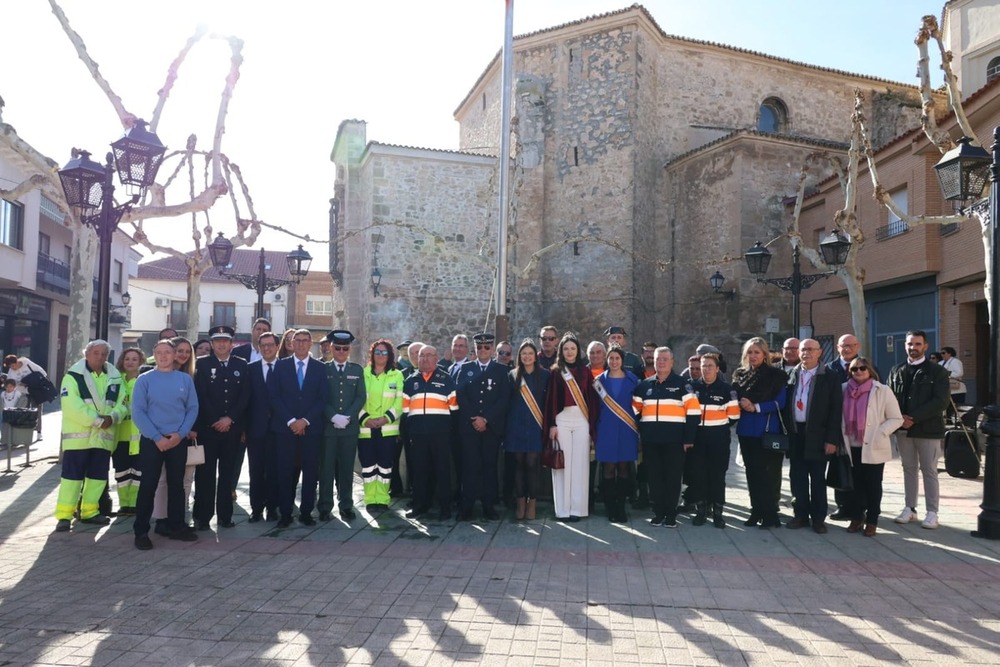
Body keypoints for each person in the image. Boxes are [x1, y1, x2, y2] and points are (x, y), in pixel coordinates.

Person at [131, 339, 200, 550]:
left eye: (167, 353)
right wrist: (156, 437)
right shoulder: (144, 380)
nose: (163, 356)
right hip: (153, 441)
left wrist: (180, 434)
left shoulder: (184, 379)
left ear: (174, 355)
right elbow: (138, 412)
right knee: (148, 485)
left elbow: (192, 408)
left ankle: (177, 526)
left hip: (177, 440)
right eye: (159, 352)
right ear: (154, 355)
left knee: (176, 485)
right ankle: (141, 531)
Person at [53, 340, 127, 532]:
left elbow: (123, 402)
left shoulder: (115, 377)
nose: (100, 357)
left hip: (103, 439)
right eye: (96, 353)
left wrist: (113, 417)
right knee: (71, 478)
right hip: (79, 439)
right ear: (86, 354)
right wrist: (99, 421)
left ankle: (89, 512)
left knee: (98, 477)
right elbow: (72, 406)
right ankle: (64, 515)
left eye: (103, 354)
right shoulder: (73, 376)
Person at [886, 330, 950, 530]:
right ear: (905, 345)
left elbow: (941, 401)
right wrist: (899, 418)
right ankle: (910, 508)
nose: (913, 347)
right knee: (908, 469)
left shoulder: (937, 372)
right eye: (909, 344)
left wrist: (913, 418)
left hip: (928, 429)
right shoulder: (896, 370)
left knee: (929, 470)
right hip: (903, 430)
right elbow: (889, 398)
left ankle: (932, 512)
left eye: (917, 344)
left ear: (926, 346)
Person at [631, 347, 700, 528]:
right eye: (657, 359)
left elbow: (693, 413)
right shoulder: (644, 385)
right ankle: (658, 513)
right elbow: (635, 412)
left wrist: (688, 439)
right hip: (651, 441)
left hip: (675, 441)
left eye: (664, 359)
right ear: (653, 362)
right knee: (654, 478)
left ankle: (670, 514)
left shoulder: (683, 385)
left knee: (672, 478)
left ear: (672, 362)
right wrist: (642, 432)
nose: (661, 362)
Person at [192, 325, 251, 530]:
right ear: (211, 343)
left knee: (227, 475)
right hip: (209, 429)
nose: (221, 344)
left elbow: (245, 396)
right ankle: (202, 517)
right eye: (217, 341)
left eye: (225, 340)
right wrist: (216, 419)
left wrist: (230, 419)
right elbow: (200, 396)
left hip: (232, 430)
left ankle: (226, 516)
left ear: (231, 343)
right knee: (205, 475)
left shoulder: (242, 364)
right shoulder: (201, 364)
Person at [269, 329, 329, 527]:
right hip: (285, 428)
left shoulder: (320, 368)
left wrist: (305, 421)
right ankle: (285, 513)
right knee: (284, 472)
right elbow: (274, 397)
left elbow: (322, 399)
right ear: (292, 343)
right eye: (298, 340)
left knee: (310, 473)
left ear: (311, 343)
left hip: (311, 429)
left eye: (305, 341)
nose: (302, 344)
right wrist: (291, 421)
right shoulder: (280, 366)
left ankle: (306, 513)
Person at [784, 338, 843, 534]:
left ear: (820, 353)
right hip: (796, 433)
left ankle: (818, 518)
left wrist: (832, 439)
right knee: (797, 477)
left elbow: (836, 410)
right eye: (802, 349)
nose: (806, 353)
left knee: (817, 478)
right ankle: (800, 514)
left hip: (819, 435)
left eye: (810, 349)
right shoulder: (792, 374)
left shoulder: (830, 376)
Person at [841, 357, 903, 537]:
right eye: (854, 369)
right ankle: (856, 517)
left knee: (873, 485)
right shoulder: (844, 389)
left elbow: (896, 418)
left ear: (869, 370)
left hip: (874, 445)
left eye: (862, 368)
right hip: (851, 445)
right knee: (855, 485)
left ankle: (872, 519)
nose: (858, 372)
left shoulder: (882, 390)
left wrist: (880, 432)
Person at [731, 337, 788, 529]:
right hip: (745, 430)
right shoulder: (740, 375)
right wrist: (739, 403)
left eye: (757, 352)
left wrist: (755, 406)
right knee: (751, 473)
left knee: (766, 475)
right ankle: (756, 511)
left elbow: (780, 403)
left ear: (765, 354)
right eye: (750, 352)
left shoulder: (776, 375)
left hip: (765, 430)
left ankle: (770, 514)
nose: (753, 356)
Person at [543, 333, 600, 522]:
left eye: (573, 348)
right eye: (566, 348)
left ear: (578, 351)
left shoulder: (586, 371)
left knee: (580, 464)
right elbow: (551, 399)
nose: (569, 351)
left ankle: (578, 508)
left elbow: (592, 400)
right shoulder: (555, 371)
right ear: (561, 350)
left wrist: (592, 427)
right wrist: (551, 424)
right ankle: (562, 509)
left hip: (582, 419)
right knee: (562, 464)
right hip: (562, 419)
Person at [455, 333, 510, 521]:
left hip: (491, 428)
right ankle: (467, 506)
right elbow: (461, 395)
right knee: (469, 467)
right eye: (479, 347)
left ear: (493, 350)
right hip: (470, 427)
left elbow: (504, 399)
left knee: (489, 466)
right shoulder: (466, 368)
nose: (483, 351)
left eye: (487, 348)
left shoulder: (501, 371)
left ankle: (489, 506)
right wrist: (475, 418)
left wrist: (485, 419)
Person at [151, 336, 200, 536]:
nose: (183, 355)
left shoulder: (192, 375)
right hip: (164, 437)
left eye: (187, 352)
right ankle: (161, 518)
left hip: (188, 435)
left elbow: (195, 405)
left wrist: (189, 429)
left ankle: (179, 518)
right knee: (162, 479)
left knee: (184, 480)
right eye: (179, 350)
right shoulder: (154, 375)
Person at [403, 345, 458, 521]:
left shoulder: (447, 379)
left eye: (429, 356)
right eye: (422, 356)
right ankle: (420, 505)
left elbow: (454, 409)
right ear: (417, 359)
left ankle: (445, 508)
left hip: (440, 434)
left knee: (442, 471)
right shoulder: (410, 381)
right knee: (419, 471)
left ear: (436, 358)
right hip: (418, 435)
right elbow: (405, 411)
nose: (425, 359)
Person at [320, 330, 367, 522]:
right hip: (328, 428)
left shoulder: (357, 370)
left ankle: (346, 505)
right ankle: (324, 506)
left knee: (347, 469)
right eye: (337, 348)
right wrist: (333, 416)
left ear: (349, 349)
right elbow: (319, 397)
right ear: (331, 347)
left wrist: (346, 416)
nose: (341, 351)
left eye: (345, 348)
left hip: (349, 428)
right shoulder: (322, 369)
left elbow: (361, 396)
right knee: (326, 469)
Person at [689, 353, 739, 528]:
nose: (706, 369)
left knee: (717, 476)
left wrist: (716, 425)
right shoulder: (692, 388)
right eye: (703, 366)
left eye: (710, 366)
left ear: (717, 368)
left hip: (719, 440)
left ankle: (718, 513)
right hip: (697, 440)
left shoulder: (727, 390)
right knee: (699, 475)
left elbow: (733, 416)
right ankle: (701, 510)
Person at [594, 345, 640, 523]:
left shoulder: (633, 380)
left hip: (627, 430)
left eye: (617, 358)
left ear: (622, 360)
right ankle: (610, 507)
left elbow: (638, 407)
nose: (614, 361)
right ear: (607, 359)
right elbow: (595, 408)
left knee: (623, 468)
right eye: (611, 358)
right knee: (608, 468)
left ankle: (621, 507)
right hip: (606, 429)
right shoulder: (599, 381)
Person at [505, 339, 549, 520]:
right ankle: (520, 502)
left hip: (535, 425)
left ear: (535, 356)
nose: (527, 356)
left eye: (530, 353)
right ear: (519, 356)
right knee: (518, 465)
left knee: (532, 465)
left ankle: (532, 502)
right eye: (524, 353)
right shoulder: (512, 375)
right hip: (515, 426)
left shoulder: (545, 375)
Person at [359, 339, 404, 512]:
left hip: (388, 429)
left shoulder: (397, 375)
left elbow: (399, 401)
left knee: (385, 466)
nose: (380, 355)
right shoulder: (363, 374)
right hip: (366, 428)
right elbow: (357, 400)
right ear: (372, 354)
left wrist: (386, 418)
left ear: (390, 355)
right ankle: (371, 499)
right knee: (369, 465)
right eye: (377, 352)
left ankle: (383, 499)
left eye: (384, 352)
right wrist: (365, 419)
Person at [245, 331, 280, 522]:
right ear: (259, 348)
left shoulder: (284, 368)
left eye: (270, 345)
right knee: (256, 470)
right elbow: (245, 400)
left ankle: (273, 507)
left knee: (275, 469)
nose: (267, 348)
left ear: (277, 346)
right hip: (255, 429)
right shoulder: (250, 369)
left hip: (279, 429)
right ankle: (256, 508)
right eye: (263, 345)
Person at [111, 347, 145, 515]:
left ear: (141, 362)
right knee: (122, 472)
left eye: (134, 359)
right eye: (127, 359)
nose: (130, 362)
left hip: (140, 437)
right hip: (120, 436)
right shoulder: (116, 381)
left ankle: (135, 503)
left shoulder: (144, 380)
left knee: (139, 472)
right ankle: (124, 504)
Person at [1, 378, 31, 449]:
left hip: (14, 413)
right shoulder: (3, 394)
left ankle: (14, 441)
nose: (9, 388)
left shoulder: (17, 393)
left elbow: (22, 400)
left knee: (13, 428)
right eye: (7, 387)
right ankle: (4, 441)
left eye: (10, 387)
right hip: (5, 412)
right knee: (4, 427)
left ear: (14, 387)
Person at [940, 346, 966, 419]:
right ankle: (949, 420)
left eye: (943, 353)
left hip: (957, 389)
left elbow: (959, 373)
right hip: (946, 389)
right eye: (941, 353)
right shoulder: (940, 363)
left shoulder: (956, 361)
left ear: (949, 353)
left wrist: (946, 374)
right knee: (947, 407)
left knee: (957, 407)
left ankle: (957, 422)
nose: (942, 355)